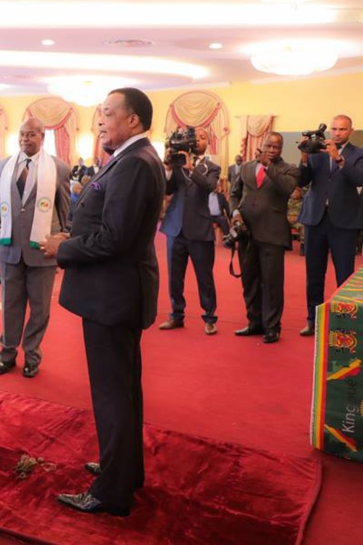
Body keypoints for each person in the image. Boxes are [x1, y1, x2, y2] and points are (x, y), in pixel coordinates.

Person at [42, 87, 164, 516]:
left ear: (133, 120)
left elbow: (114, 238)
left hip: (112, 295)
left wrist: (64, 247)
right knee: (124, 389)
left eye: (108, 114)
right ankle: (125, 470)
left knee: (112, 394)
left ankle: (112, 491)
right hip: (117, 292)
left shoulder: (134, 163)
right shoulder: (134, 158)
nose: (99, 122)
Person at [0, 118, 70, 379]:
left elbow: (64, 211)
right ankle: (6, 354)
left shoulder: (59, 168)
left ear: (42, 137)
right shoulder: (3, 165)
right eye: (22, 134)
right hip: (10, 247)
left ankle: (32, 356)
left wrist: (60, 240)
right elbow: (2, 206)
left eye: (31, 135)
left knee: (39, 308)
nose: (25, 139)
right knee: (9, 305)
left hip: (42, 249)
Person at [230, 133, 300, 344]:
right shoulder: (246, 167)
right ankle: (254, 322)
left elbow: (287, 189)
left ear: (281, 149)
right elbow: (234, 193)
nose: (272, 150)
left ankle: (272, 327)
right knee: (249, 280)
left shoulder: (288, 169)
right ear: (261, 145)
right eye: (269, 146)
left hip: (272, 234)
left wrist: (268, 166)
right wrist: (235, 213)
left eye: (276, 147)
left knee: (272, 283)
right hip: (246, 233)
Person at [297, 115, 363, 336]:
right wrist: (304, 157)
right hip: (315, 220)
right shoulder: (316, 152)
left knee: (344, 275)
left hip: (344, 222)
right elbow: (302, 181)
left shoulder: (358, 154)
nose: (337, 133)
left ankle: (344, 325)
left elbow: (359, 178)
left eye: (342, 129)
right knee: (314, 275)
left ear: (350, 131)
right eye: (334, 128)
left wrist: (339, 159)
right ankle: (313, 321)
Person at [158, 127, 221, 335]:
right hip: (175, 228)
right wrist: (168, 167)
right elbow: (167, 190)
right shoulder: (176, 163)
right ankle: (176, 315)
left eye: (203, 138)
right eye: (195, 137)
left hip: (200, 229)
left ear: (207, 143)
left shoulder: (212, 167)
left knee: (204, 277)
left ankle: (209, 318)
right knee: (175, 277)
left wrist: (191, 168)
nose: (198, 140)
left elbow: (208, 187)